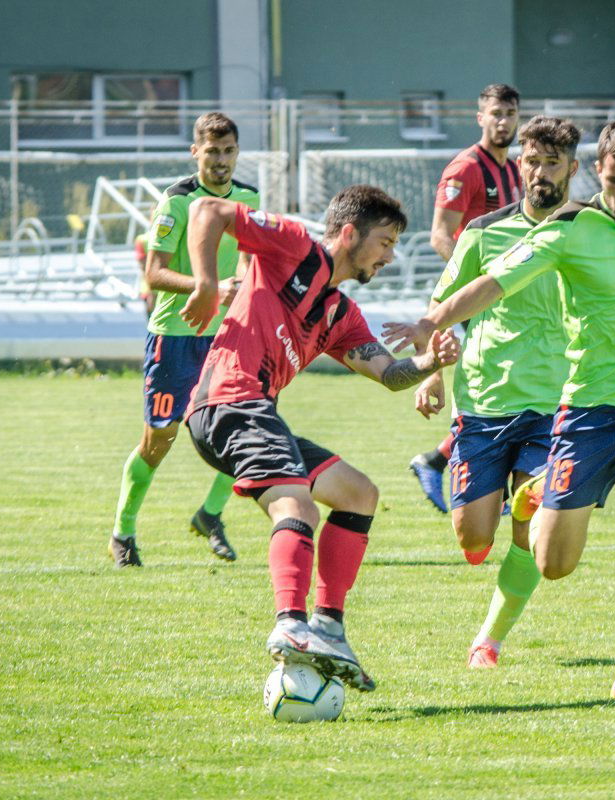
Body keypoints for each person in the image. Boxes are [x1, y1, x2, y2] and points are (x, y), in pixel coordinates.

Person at [385, 119, 615, 702]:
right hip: (587, 413)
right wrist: (432, 323)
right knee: (553, 562)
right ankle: (533, 497)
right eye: (614, 182)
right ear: (598, 175)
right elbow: (495, 283)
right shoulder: (572, 228)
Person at [179, 185, 459, 692]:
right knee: (299, 507)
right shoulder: (291, 246)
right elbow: (208, 209)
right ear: (349, 234)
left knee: (359, 494)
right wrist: (203, 284)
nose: (391, 257)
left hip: (255, 411)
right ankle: (290, 623)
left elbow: (390, 373)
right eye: (385, 242)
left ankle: (328, 627)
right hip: (228, 402)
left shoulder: (341, 315)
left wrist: (430, 364)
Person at [412, 116, 579, 668]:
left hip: (553, 404)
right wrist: (432, 371)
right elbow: (445, 303)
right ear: (519, 165)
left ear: (572, 169)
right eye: (531, 161)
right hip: (483, 402)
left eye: (552, 162)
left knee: (529, 525)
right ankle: (499, 508)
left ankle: (489, 639)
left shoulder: (587, 232)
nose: (539, 172)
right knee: (471, 538)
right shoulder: (485, 231)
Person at [109, 112, 259, 568]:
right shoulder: (175, 202)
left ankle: (210, 515)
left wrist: (249, 298)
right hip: (175, 336)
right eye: (211, 151)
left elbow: (251, 261)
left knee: (248, 428)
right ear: (195, 152)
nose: (221, 161)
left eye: (228, 151)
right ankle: (124, 532)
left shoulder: (248, 196)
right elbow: (153, 273)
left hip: (226, 336)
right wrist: (208, 287)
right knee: (161, 441)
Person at [410, 83, 523, 513]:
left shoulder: (515, 170)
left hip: (507, 293)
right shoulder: (464, 169)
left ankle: (438, 460)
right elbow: (441, 235)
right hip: (475, 295)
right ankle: (472, 476)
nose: (503, 121)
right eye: (495, 113)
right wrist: (477, 274)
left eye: (510, 114)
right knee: (499, 386)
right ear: (480, 117)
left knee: (510, 382)